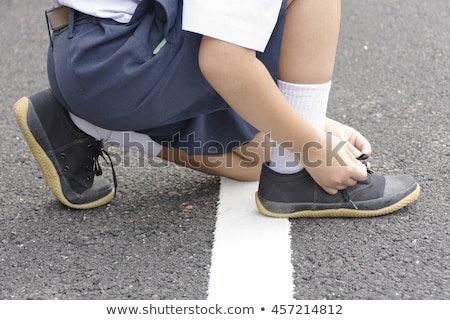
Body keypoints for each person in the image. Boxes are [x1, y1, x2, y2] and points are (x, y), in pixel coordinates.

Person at [14, 0, 420, 217]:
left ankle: (86, 124)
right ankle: (297, 178)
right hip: (120, 61)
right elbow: (224, 61)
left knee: (252, 161)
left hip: (91, 57)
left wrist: (311, 124)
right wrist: (313, 149)